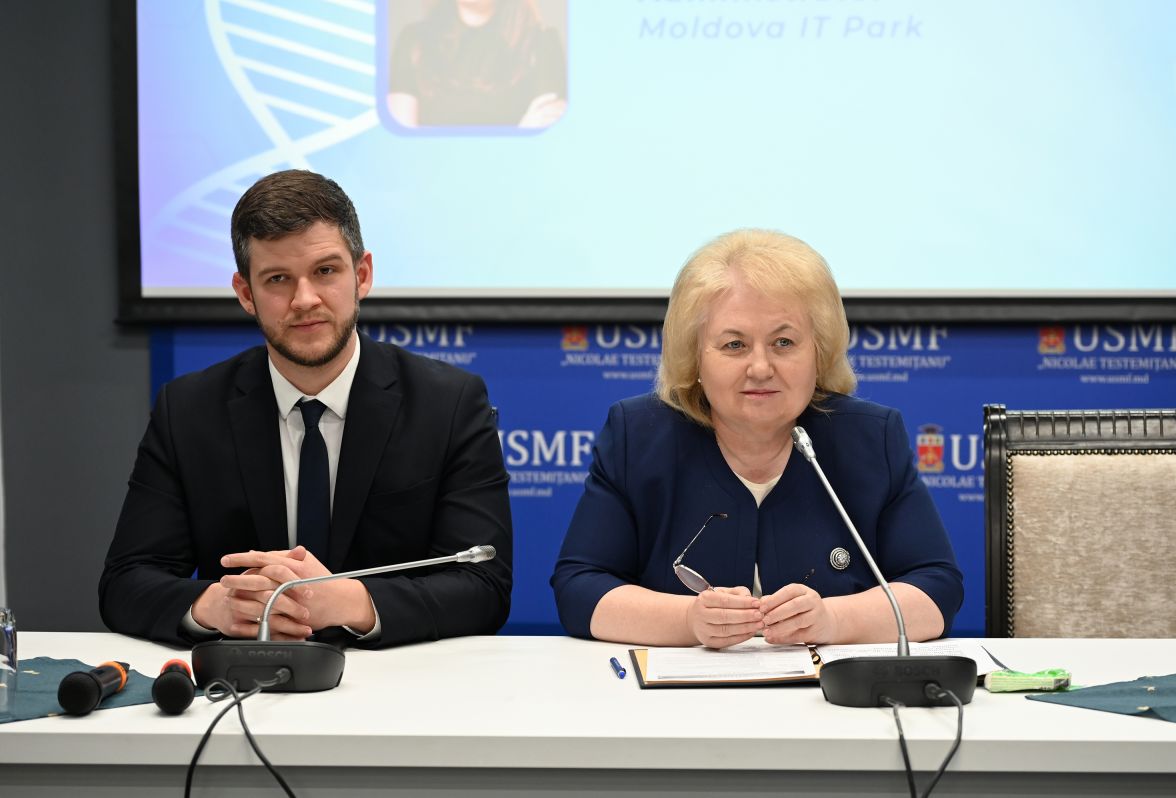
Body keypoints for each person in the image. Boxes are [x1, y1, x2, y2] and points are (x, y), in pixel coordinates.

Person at [100, 170, 513, 648]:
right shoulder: (189, 410)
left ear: (362, 275)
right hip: (245, 675)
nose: (305, 300)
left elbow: (485, 585)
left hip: (399, 677)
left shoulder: (449, 403)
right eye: (278, 279)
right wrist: (214, 607)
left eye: (326, 271)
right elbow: (125, 582)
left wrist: (348, 602)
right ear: (245, 293)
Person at [552, 229, 962, 649]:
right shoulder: (639, 437)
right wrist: (688, 621)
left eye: (784, 342)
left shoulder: (870, 438)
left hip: (826, 688)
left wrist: (833, 621)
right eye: (735, 345)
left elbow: (936, 588)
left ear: (818, 352)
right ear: (694, 357)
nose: (761, 367)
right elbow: (579, 587)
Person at [387, 0, 567, 128]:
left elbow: (545, 142)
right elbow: (403, 148)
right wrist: (518, 135)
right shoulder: (414, 41)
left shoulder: (542, 43)